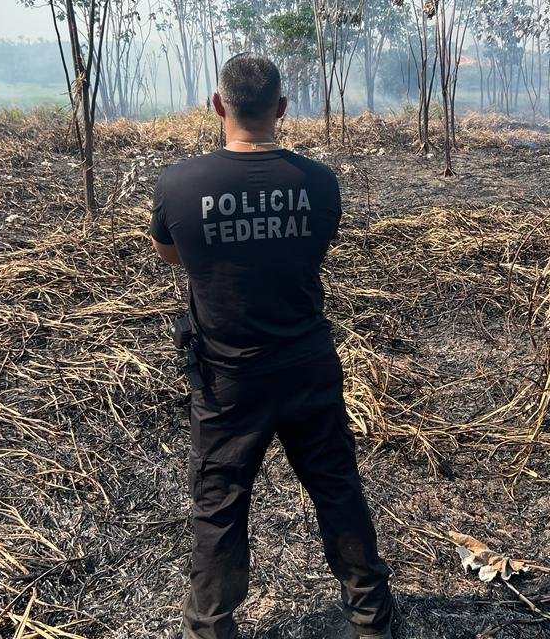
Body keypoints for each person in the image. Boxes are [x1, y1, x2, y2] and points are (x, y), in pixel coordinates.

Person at [149, 52, 394, 639]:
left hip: (228, 380)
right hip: (308, 366)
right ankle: (371, 619)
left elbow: (171, 255)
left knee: (219, 505)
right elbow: (309, 249)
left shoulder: (179, 185)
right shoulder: (319, 183)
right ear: (281, 108)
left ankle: (211, 627)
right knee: (336, 487)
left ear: (217, 105)